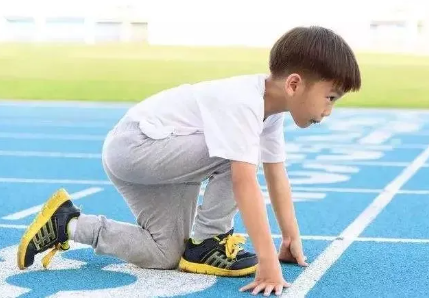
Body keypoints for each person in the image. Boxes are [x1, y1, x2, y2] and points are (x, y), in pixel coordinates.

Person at [17, 26, 361, 296]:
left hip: (163, 159)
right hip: (135, 147)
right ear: (295, 84)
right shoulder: (243, 103)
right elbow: (244, 180)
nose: (328, 111)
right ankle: (209, 242)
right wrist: (268, 263)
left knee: (163, 253)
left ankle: (68, 223)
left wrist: (290, 238)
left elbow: (277, 175)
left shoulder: (270, 116)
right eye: (330, 98)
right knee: (239, 157)